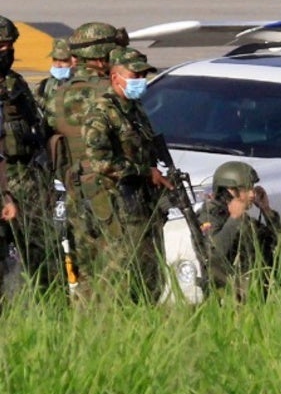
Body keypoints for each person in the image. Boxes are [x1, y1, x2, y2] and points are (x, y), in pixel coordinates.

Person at [80, 47, 172, 300]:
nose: (140, 82)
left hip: (141, 199)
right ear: (115, 78)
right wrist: (145, 172)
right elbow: (100, 161)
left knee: (150, 260)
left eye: (143, 76)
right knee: (122, 262)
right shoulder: (101, 113)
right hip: (117, 200)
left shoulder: (134, 109)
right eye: (134, 76)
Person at [47, 21, 129, 291]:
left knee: (85, 266)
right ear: (102, 54)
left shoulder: (58, 93)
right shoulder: (110, 93)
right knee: (118, 263)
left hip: (75, 186)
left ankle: (86, 318)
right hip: (109, 189)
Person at [0, 16, 56, 291]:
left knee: (42, 251)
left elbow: (35, 129)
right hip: (5, 179)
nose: (6, 52)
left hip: (29, 177)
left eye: (9, 45)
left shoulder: (16, 83)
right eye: (1, 45)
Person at [198, 160, 281, 297]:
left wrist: (266, 211)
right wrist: (233, 220)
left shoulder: (243, 219)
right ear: (230, 190)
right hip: (226, 294)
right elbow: (213, 254)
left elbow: (278, 243)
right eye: (246, 188)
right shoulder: (210, 216)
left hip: (254, 289)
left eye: (252, 187)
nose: (252, 194)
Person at [34, 38, 73, 112]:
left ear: (74, 60)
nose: (58, 65)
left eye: (64, 61)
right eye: (55, 59)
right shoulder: (43, 86)